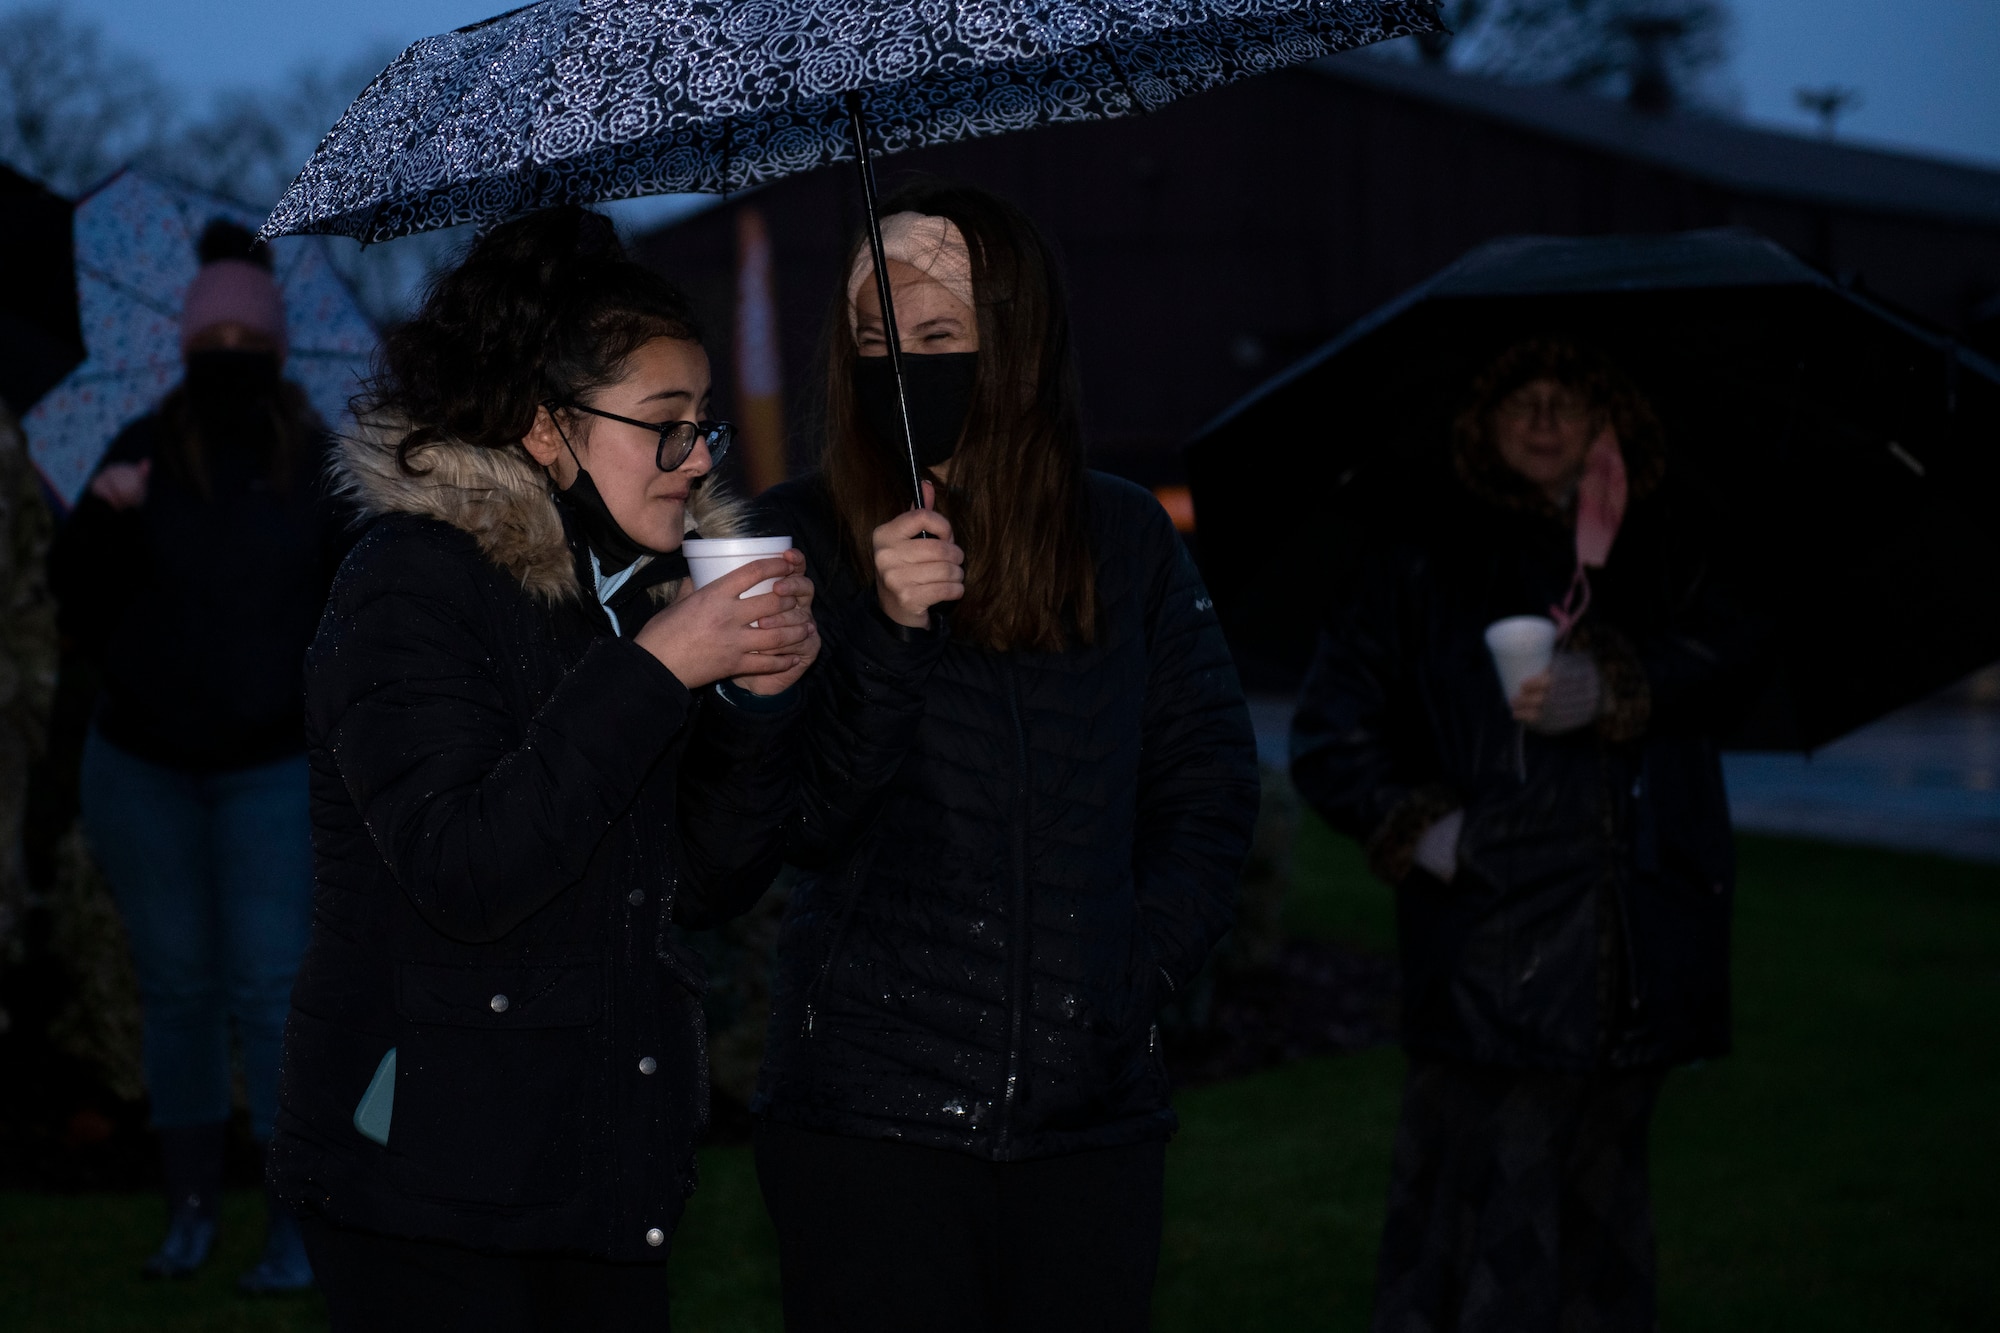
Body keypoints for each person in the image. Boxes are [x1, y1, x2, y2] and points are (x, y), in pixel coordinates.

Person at [266, 207, 816, 1332]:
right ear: (543, 428)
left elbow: (700, 885)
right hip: (424, 1185)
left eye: (704, 423)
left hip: (595, 1167)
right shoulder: (408, 584)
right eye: (664, 424)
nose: (700, 456)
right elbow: (467, 868)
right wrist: (658, 672)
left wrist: (754, 708)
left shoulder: (633, 597)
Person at [749, 184, 1260, 1333]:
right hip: (869, 1119)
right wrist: (884, 630)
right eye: (875, 340)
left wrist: (1129, 970)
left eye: (937, 337)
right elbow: (796, 821)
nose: (903, 368)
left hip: (1089, 1120)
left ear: (1016, 342)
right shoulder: (800, 536)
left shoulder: (1121, 535)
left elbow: (1209, 782)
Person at [1290, 337, 1763, 1332]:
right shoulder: (1420, 555)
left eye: (1567, 399)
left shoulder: (1663, 546)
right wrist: (1430, 833)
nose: (1544, 421)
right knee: (1478, 1238)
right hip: (1488, 955)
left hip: (1634, 958)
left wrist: (1620, 681)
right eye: (1520, 401)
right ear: (1480, 420)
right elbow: (1330, 734)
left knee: (1602, 1242)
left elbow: (1734, 657)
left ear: (1608, 415)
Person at [47, 221, 347, 1291]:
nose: (225, 345)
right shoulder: (133, 446)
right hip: (143, 765)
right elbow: (74, 600)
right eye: (207, 329)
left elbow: (352, 606)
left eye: (242, 330)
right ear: (181, 341)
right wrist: (99, 519)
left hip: (271, 768)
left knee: (271, 989)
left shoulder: (320, 462)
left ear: (271, 345)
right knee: (176, 989)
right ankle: (185, 1213)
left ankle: (290, 1222)